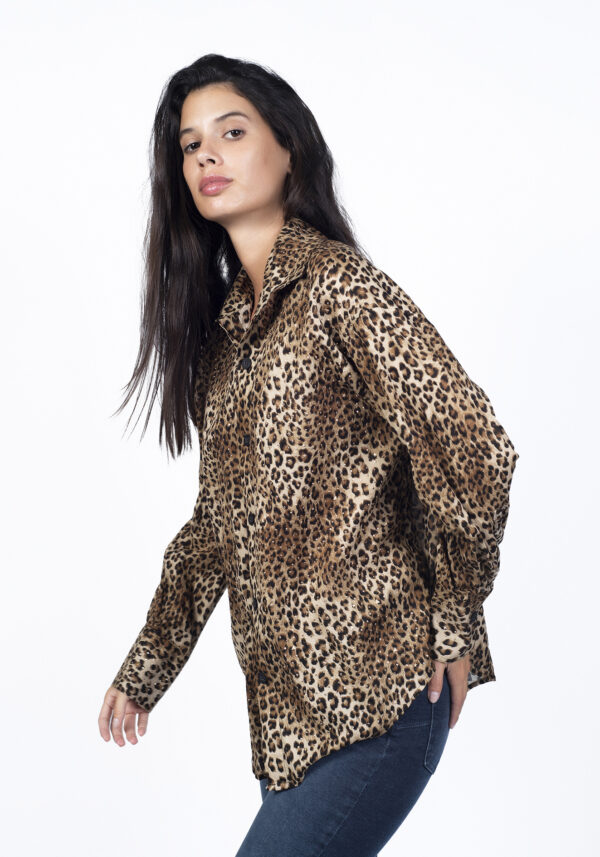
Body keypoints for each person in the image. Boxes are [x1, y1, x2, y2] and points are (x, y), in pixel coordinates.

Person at [97, 53, 519, 856]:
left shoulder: (342, 288)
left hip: (382, 693)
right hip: (290, 722)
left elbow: (474, 447)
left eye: (231, 132)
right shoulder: (226, 341)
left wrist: (458, 620)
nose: (207, 155)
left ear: (289, 148)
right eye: (190, 145)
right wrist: (146, 667)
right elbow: (215, 529)